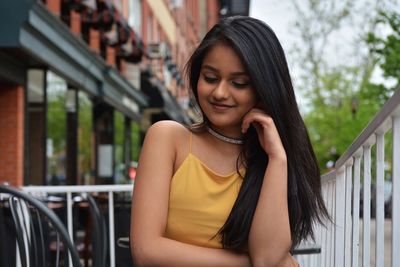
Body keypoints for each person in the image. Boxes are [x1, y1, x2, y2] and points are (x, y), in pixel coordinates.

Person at [130, 16, 329, 267]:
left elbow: (267, 259)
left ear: (263, 88)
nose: (220, 93)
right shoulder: (168, 138)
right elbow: (146, 251)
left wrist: (277, 159)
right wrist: (247, 263)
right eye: (211, 78)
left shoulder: (273, 159)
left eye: (239, 83)